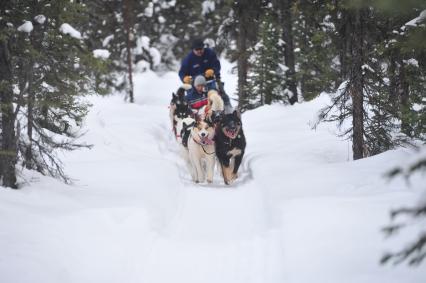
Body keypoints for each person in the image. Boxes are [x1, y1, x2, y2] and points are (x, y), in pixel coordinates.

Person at [179, 39, 232, 111]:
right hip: (195, 83)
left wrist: (213, 70)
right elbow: (181, 72)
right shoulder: (188, 59)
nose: (199, 51)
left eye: (201, 49)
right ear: (193, 49)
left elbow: (217, 65)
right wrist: (184, 78)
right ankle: (191, 114)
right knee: (190, 97)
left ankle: (229, 110)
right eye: (197, 49)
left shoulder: (210, 53)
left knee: (221, 93)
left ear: (203, 47)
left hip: (211, 79)